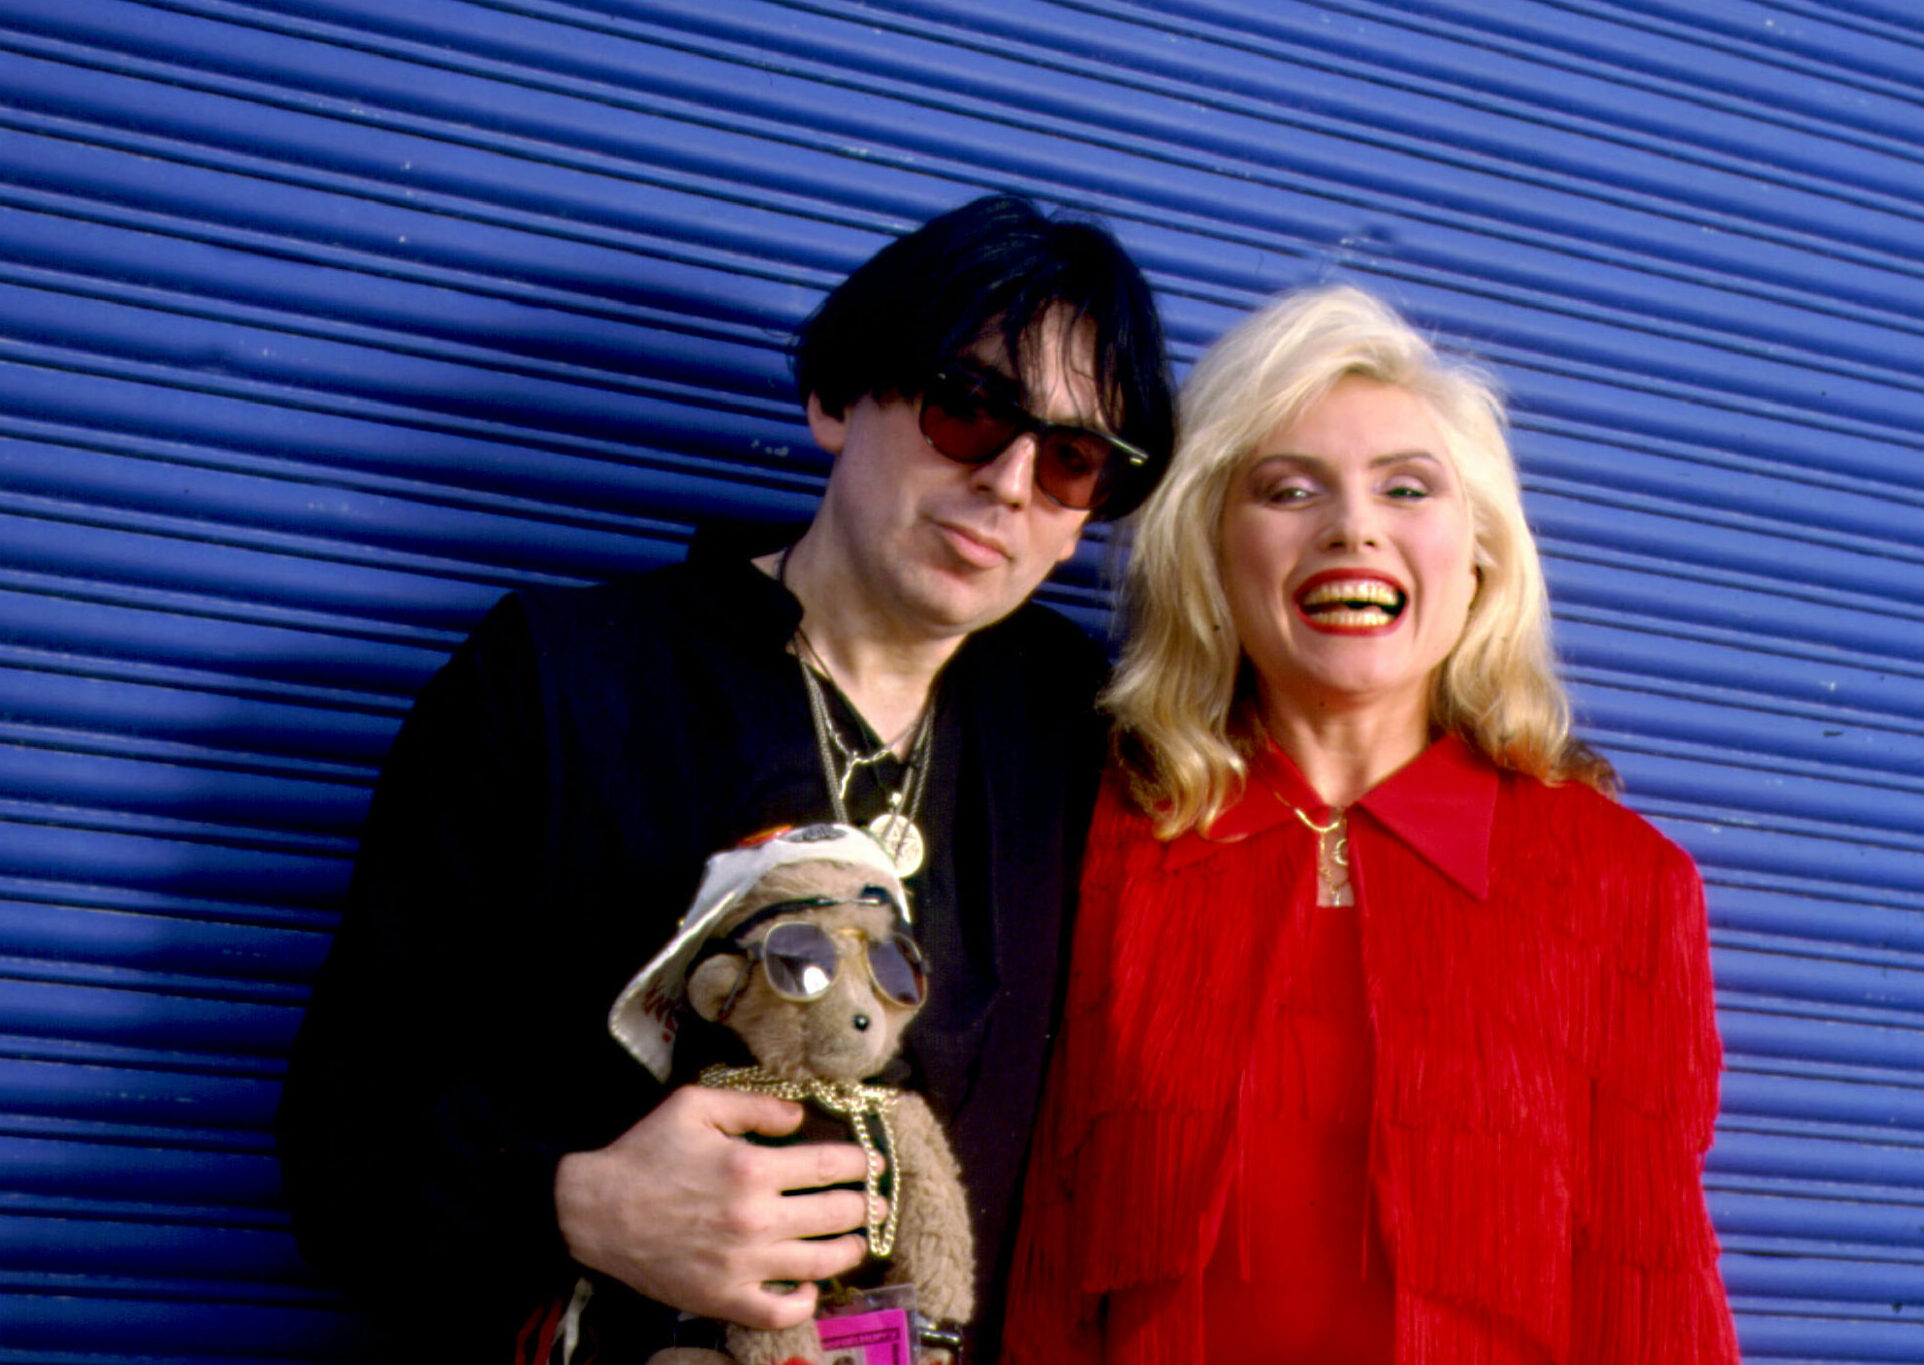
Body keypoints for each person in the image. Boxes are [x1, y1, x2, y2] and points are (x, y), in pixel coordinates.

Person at [275, 193, 1175, 1362]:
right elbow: (340, 1141)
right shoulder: (559, 683)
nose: (1009, 481)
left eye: (1072, 460)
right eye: (966, 407)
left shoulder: (1084, 738)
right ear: (837, 398)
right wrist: (580, 1204)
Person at [1003, 285, 1739, 1363]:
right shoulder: (1099, 836)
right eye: (1287, 490)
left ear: (1479, 553)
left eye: (1406, 489)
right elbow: (1043, 1262)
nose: (1353, 527)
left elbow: (1652, 1282)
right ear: (1210, 549)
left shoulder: (1624, 884)